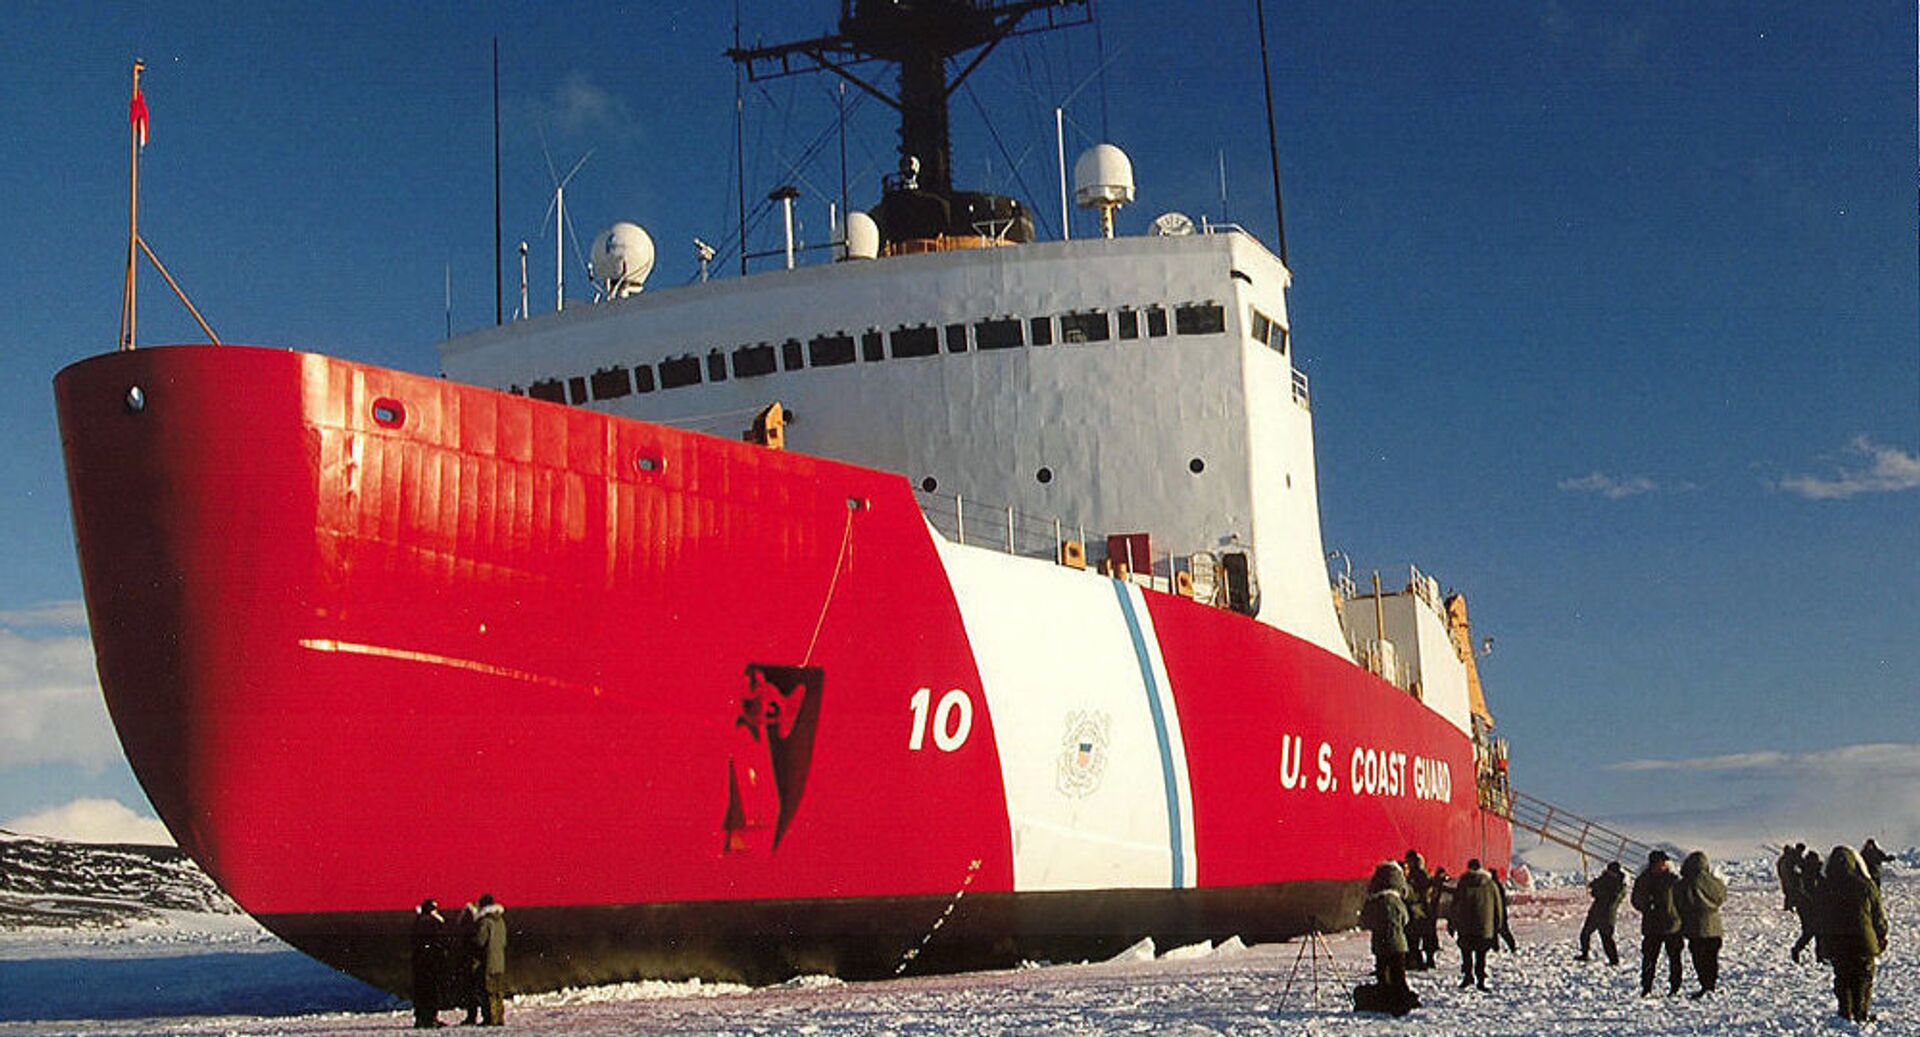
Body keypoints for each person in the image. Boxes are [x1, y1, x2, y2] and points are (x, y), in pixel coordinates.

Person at [1816, 845, 1889, 1023]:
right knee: (1863, 977)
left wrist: (1822, 945)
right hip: (1864, 941)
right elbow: (1878, 915)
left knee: (1842, 975)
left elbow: (1820, 920)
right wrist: (1881, 935)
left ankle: (1845, 1012)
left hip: (1836, 941)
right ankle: (1861, 1013)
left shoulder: (1825, 888)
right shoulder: (1866, 885)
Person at [1359, 861, 1417, 1015]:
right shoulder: (1396, 901)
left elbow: (1364, 921)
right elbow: (1405, 919)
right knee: (1398, 975)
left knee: (1382, 972)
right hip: (1398, 944)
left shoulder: (1373, 901)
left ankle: (1385, 1001)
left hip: (1379, 943)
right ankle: (1400, 1003)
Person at [1630, 849, 1683, 996]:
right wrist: (1647, 906)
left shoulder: (1673, 880)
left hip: (1672, 926)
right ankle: (1646, 987)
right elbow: (1636, 900)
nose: (1664, 865)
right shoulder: (1644, 880)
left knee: (1674, 958)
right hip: (1652, 926)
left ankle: (1675, 987)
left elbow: (1682, 901)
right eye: (1662, 863)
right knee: (1649, 959)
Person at [1675, 851, 1727, 998]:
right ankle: (1711, 985)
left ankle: (1705, 985)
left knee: (1699, 958)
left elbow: (1678, 903)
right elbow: (1722, 896)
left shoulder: (1683, 883)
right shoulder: (1712, 881)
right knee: (1712, 958)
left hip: (1694, 927)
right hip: (1714, 926)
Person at [1446, 858, 1502, 991]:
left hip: (1466, 926)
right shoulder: (1490, 884)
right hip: (1484, 927)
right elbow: (1497, 907)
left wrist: (1452, 923)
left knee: (1466, 953)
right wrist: (1497, 927)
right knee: (1481, 955)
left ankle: (1467, 976)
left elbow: (1455, 905)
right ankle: (1481, 980)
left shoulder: (1463, 883)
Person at [1578, 861, 1627, 965]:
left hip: (1607, 915)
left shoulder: (1620, 885)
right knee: (1584, 934)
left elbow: (1613, 898)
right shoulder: (1604, 879)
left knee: (1606, 938)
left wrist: (1600, 890)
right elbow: (1595, 890)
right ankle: (1584, 953)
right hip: (1596, 912)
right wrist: (1596, 887)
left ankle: (1614, 960)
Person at [411, 898, 447, 1029]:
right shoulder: (434, 922)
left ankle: (420, 1019)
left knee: (420, 993)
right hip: (431, 964)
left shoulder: (418, 922)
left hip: (419, 964)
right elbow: (440, 943)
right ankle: (431, 1019)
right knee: (431, 993)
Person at [473, 893, 508, 1026]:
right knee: (499, 992)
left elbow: (480, 941)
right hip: (500, 962)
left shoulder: (485, 921)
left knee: (490, 992)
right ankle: (499, 1018)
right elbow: (504, 941)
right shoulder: (501, 920)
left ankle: (491, 1019)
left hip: (488, 963)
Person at [1403, 850, 1436, 969]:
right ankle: (1421, 960)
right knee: (1421, 937)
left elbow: (1418, 892)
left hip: (1419, 911)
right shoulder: (1421, 874)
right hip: (1422, 910)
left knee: (1414, 937)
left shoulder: (1418, 875)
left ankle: (1417, 961)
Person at [1791, 847, 1824, 963]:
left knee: (1819, 931)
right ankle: (1796, 949)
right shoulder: (1807, 873)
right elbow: (1805, 890)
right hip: (1807, 907)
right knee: (1811, 931)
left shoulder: (1807, 871)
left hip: (1810, 906)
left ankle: (1820, 956)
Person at [454, 902, 484, 1025]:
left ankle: (472, 1016)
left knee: (470, 992)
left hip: (467, 963)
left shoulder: (463, 929)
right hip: (475, 963)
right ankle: (483, 1016)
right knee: (478, 991)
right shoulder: (477, 927)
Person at [1491, 868, 1517, 952]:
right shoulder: (1498, 886)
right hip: (1501, 912)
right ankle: (1510, 946)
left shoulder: (1493, 886)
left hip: (1497, 912)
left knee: (1500, 931)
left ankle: (1498, 947)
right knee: (1501, 931)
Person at [1776, 844, 1801, 910]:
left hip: (1786, 879)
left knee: (1789, 893)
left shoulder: (1783, 859)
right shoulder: (1789, 858)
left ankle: (1789, 906)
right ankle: (1790, 906)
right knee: (1791, 892)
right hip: (1789, 879)